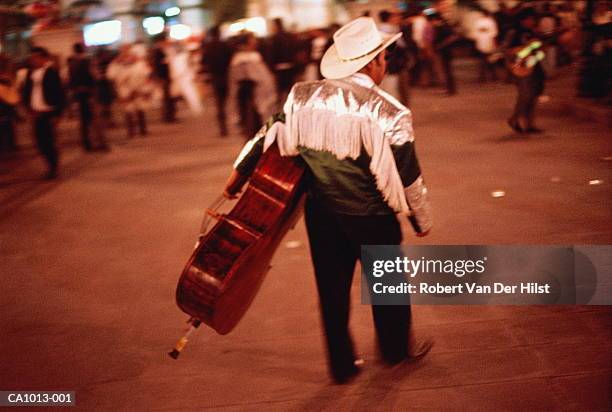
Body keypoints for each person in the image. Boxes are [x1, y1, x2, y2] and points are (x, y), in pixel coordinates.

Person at [223, 17, 433, 383]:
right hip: (372, 216)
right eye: (384, 58)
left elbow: (265, 136)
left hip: (321, 213)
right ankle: (395, 350)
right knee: (387, 287)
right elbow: (408, 176)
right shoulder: (389, 111)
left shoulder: (301, 95)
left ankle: (341, 366)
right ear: (372, 62)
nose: (386, 65)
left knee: (332, 289)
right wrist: (421, 219)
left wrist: (236, 177)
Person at [22, 47, 65, 179]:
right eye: (32, 58)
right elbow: (26, 92)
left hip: (48, 112)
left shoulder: (52, 73)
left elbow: (60, 94)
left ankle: (53, 167)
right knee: (39, 142)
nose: (33, 60)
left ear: (43, 58)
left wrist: (58, 114)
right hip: (35, 113)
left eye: (36, 57)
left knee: (49, 142)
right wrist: (27, 107)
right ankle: (49, 165)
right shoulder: (30, 73)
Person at [504, 7, 546, 133]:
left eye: (533, 19)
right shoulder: (514, 32)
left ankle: (529, 124)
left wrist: (541, 51)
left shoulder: (533, 33)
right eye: (529, 18)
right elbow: (510, 51)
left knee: (533, 96)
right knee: (525, 95)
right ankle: (514, 118)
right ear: (523, 19)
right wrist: (528, 49)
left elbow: (539, 52)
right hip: (521, 68)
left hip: (534, 66)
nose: (532, 21)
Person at [228, 33, 276, 139]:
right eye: (252, 41)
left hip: (252, 98)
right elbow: (256, 79)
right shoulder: (246, 60)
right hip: (252, 99)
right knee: (254, 126)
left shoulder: (245, 58)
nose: (255, 43)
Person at [107, 44, 153, 138]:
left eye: (127, 50)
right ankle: (131, 131)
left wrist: (146, 88)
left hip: (138, 88)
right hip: (125, 90)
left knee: (140, 109)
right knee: (128, 110)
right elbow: (110, 76)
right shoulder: (116, 64)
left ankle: (142, 129)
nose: (126, 53)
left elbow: (147, 74)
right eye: (124, 50)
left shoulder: (139, 63)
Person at [201, 26, 233, 136]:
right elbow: (230, 59)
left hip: (215, 77)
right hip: (225, 76)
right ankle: (227, 122)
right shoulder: (224, 45)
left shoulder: (208, 47)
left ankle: (222, 126)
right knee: (225, 100)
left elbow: (204, 62)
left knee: (219, 103)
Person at [67, 42, 97, 151]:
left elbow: (70, 81)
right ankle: (91, 142)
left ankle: (86, 143)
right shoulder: (86, 62)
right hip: (87, 93)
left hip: (77, 94)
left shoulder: (71, 64)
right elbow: (92, 76)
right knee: (90, 119)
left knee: (83, 120)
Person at [470, 10, 499, 83]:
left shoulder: (478, 22)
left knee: (484, 61)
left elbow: (474, 34)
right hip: (488, 43)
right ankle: (492, 76)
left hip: (482, 43)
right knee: (489, 60)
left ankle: (484, 77)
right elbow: (494, 34)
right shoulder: (491, 22)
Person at [0, 54, 19, 152]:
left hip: (6, 102)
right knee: (7, 123)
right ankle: (9, 143)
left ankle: (10, 143)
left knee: (8, 122)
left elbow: (11, 87)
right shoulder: (7, 75)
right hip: (6, 102)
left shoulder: (7, 76)